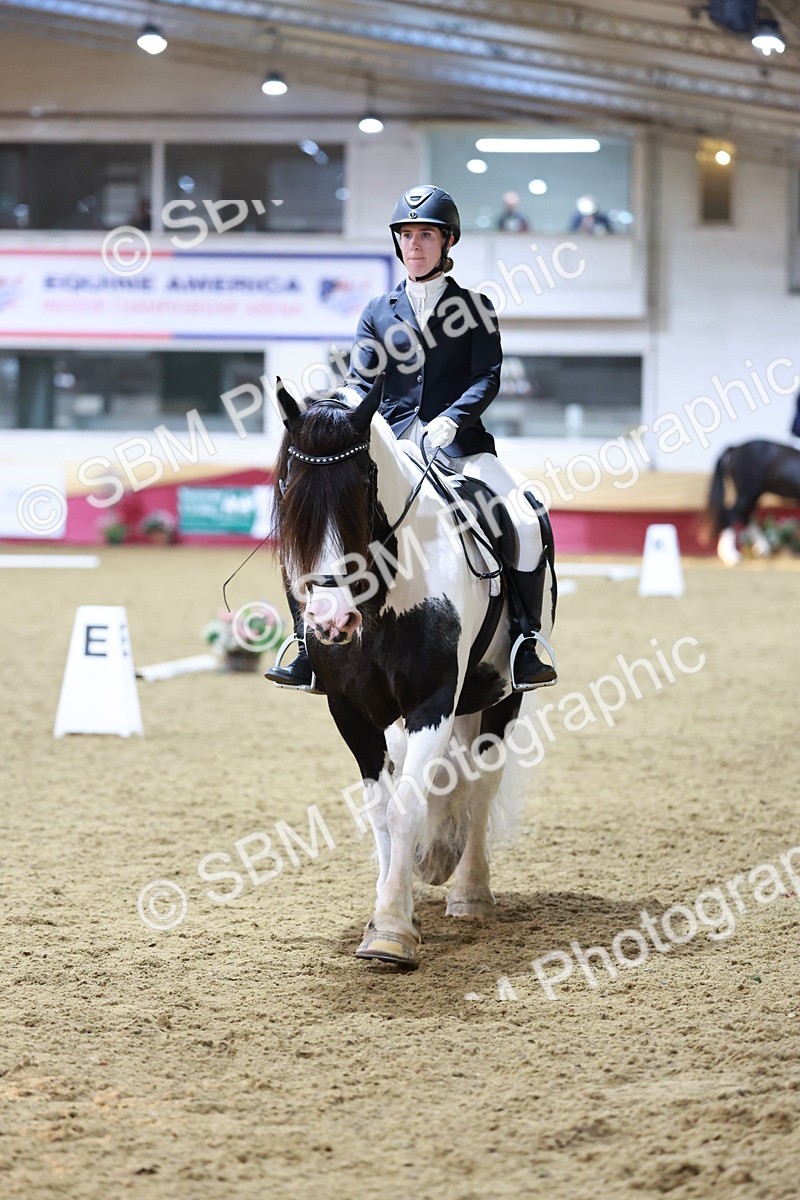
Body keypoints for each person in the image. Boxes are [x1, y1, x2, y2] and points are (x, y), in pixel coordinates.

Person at [266, 184, 557, 693]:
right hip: (392, 445)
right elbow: (361, 380)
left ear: (448, 242)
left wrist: (451, 420)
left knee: (524, 518)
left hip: (461, 447)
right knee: (317, 520)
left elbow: (487, 376)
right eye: (406, 235)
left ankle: (525, 643)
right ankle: (306, 646)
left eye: (425, 235)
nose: (414, 245)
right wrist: (344, 410)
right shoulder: (378, 310)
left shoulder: (476, 307)